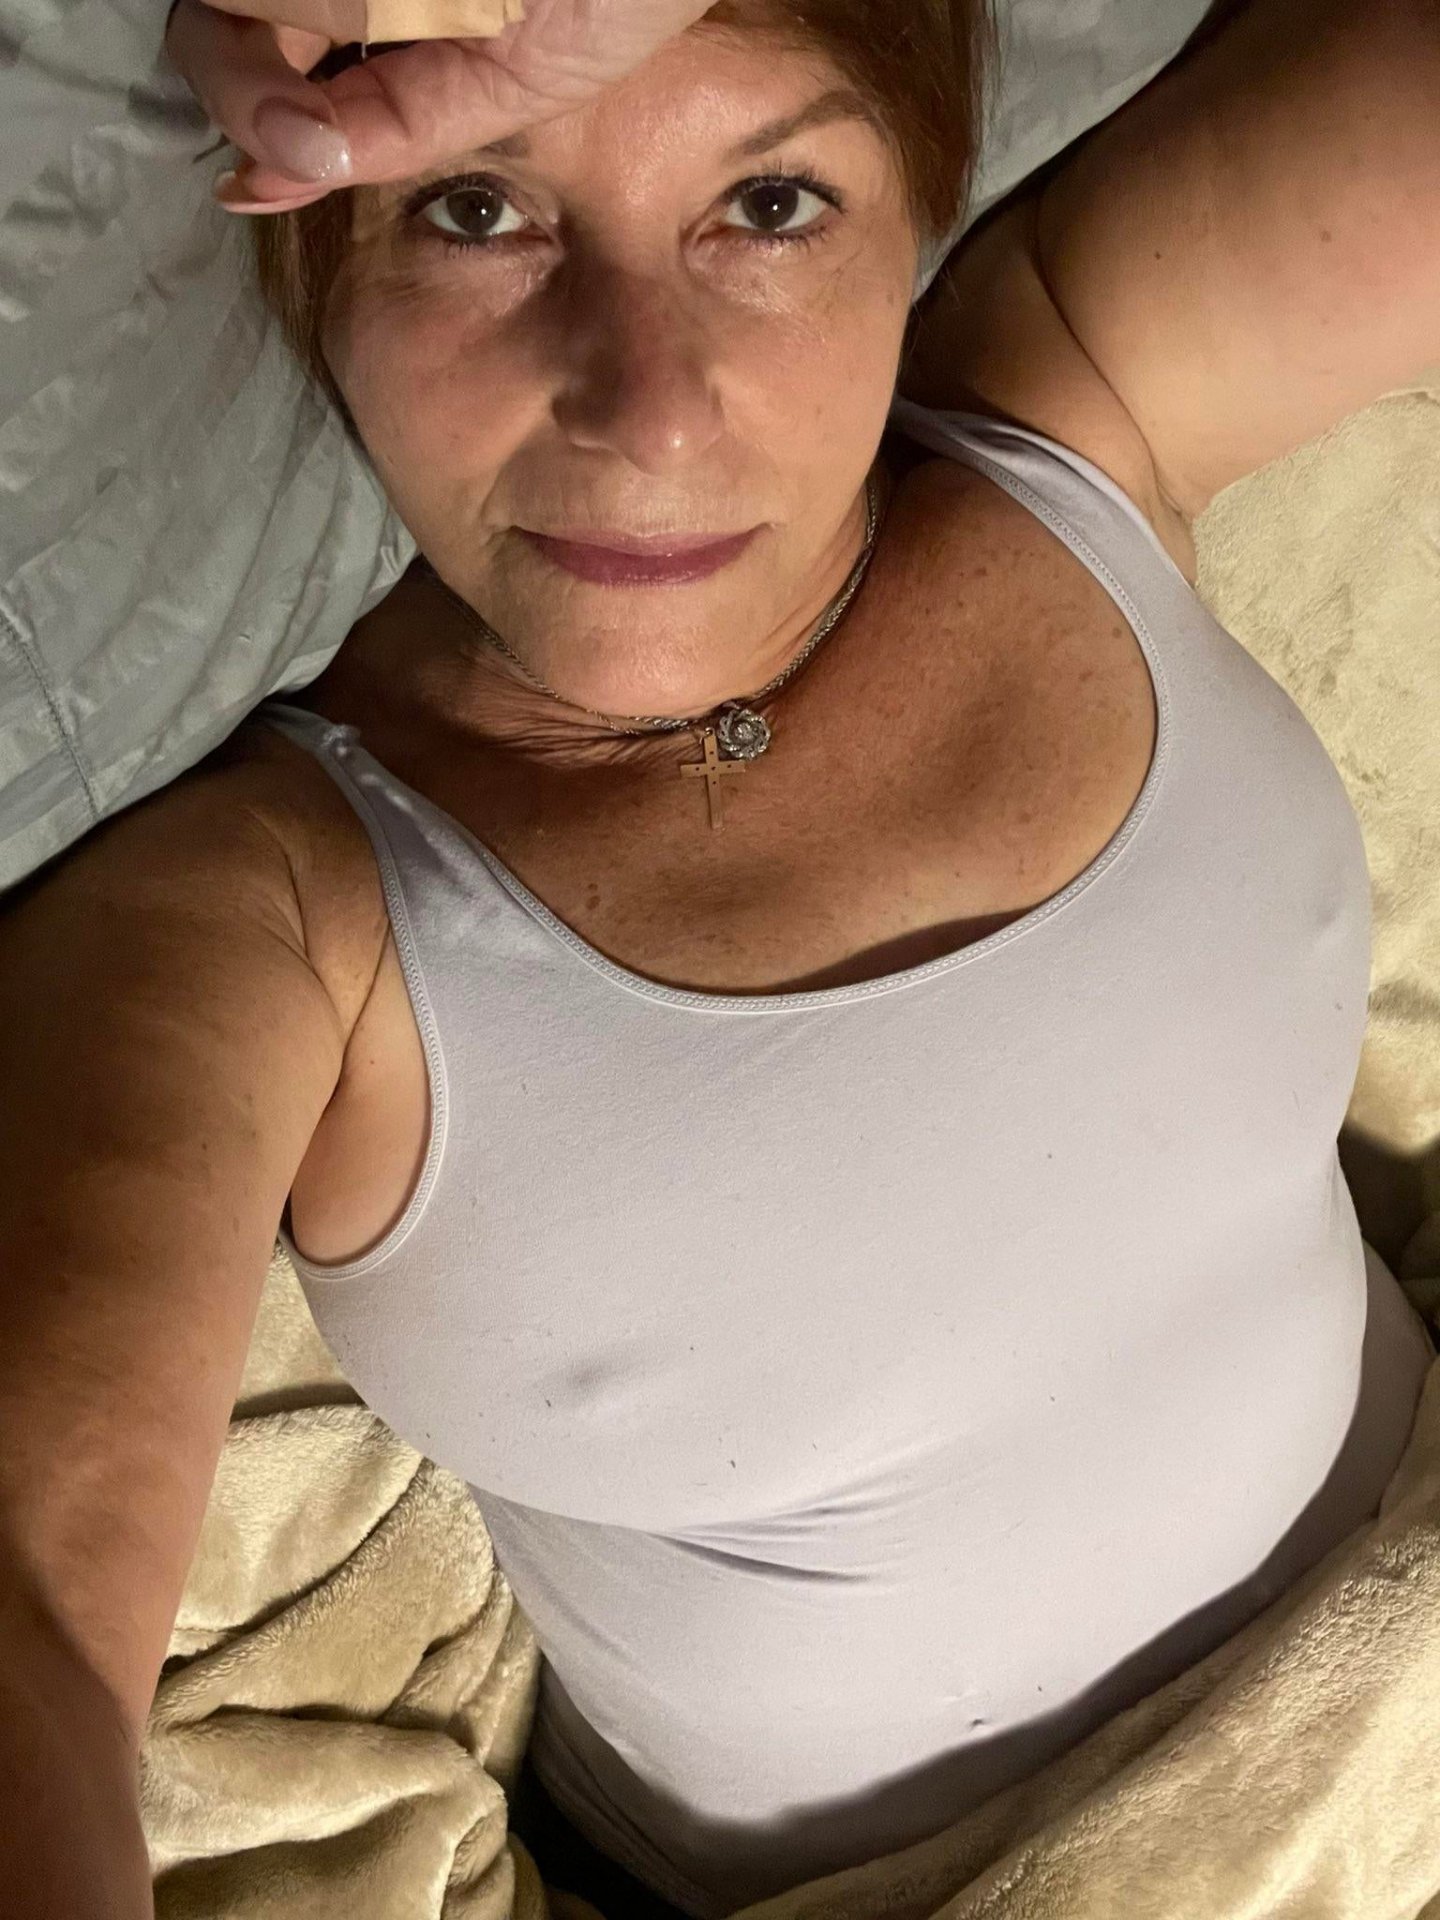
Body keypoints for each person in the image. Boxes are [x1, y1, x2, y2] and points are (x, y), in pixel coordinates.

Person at [3, 0, 1438, 1914]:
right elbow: (33, 1630)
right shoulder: (267, 910)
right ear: (314, 252)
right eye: (475, 212)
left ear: (915, 204)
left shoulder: (1065, 404)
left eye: (771, 204)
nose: (651, 409)